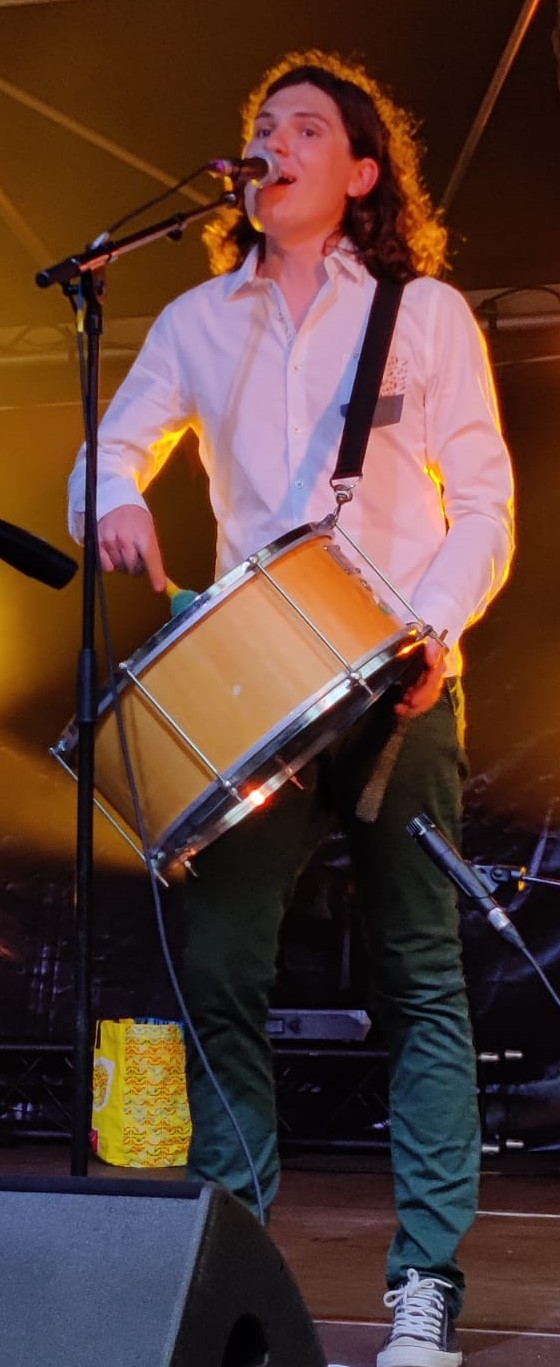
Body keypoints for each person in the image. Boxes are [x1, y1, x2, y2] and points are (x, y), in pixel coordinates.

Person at [68, 49, 514, 1367]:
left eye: (307, 127)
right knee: (220, 968)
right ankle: (237, 1264)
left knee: (418, 976)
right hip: (254, 687)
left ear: (362, 172)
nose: (276, 141)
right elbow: (110, 447)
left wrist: (433, 632)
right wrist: (119, 499)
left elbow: (485, 503)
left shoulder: (424, 312)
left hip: (401, 678)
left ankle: (424, 1283)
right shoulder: (198, 320)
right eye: (264, 126)